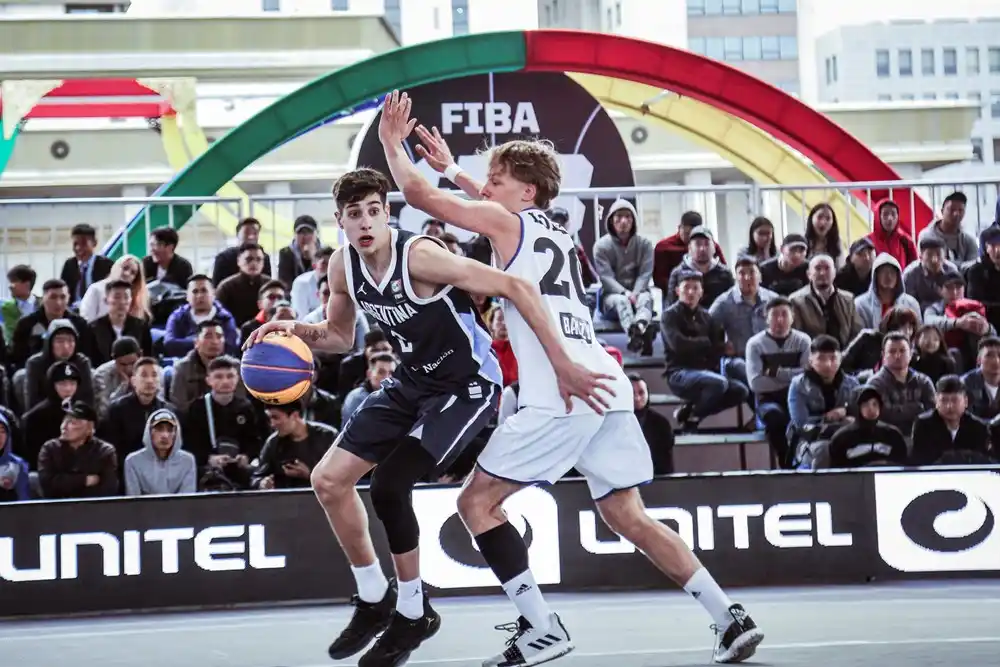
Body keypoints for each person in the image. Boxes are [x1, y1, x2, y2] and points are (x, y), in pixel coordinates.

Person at [404, 91, 762, 665]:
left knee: (476, 504)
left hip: (562, 388)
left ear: (526, 191)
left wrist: (399, 143)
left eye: (496, 177)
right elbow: (484, 200)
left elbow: (421, 197)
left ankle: (540, 626)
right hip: (605, 384)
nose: (485, 183)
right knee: (627, 515)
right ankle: (728, 616)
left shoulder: (507, 220)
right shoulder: (551, 228)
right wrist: (457, 170)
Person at [245, 159, 610, 666]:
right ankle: (375, 598)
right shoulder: (341, 266)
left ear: (387, 213)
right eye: (356, 214)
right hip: (413, 379)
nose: (367, 222)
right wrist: (291, 329)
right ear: (341, 221)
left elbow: (518, 287)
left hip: (468, 382)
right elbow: (341, 336)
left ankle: (414, 612)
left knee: (391, 484)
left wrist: (563, 362)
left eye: (375, 210)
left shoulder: (421, 256)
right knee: (328, 479)